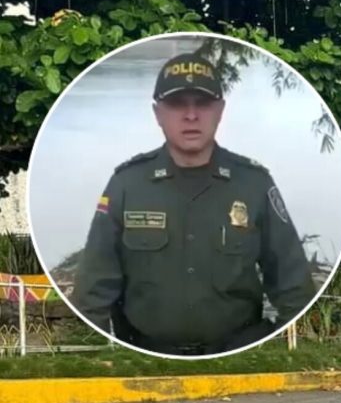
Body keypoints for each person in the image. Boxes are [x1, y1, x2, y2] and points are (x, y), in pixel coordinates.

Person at [70, 52, 318, 356]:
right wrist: (89, 357)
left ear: (220, 110)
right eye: (177, 104)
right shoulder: (127, 184)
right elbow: (93, 288)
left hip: (241, 354)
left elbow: (293, 285)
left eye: (202, 103)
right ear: (158, 113)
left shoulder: (254, 184)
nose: (191, 116)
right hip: (142, 355)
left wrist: (286, 351)